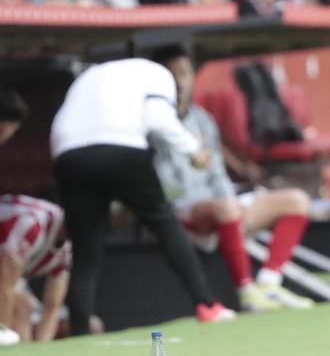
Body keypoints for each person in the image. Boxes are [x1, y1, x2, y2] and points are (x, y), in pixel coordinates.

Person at [51, 58, 236, 336]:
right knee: (164, 222)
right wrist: (193, 151)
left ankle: (79, 330)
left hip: (67, 151)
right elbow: (157, 119)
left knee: (85, 248)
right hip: (121, 146)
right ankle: (207, 305)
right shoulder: (158, 74)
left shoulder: (95, 73)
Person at [149, 46, 315, 313]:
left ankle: (269, 284)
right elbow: (165, 187)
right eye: (172, 73)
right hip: (180, 213)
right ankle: (246, 291)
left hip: (220, 208)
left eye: (185, 73)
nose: (180, 81)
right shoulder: (151, 122)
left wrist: (228, 201)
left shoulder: (203, 119)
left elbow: (217, 173)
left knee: (296, 200)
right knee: (226, 207)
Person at [0, 194, 70, 346]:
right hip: (6, 263)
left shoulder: (69, 247)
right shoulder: (31, 224)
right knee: (22, 305)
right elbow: (4, 285)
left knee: (26, 306)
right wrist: (3, 332)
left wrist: (43, 348)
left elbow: (53, 304)